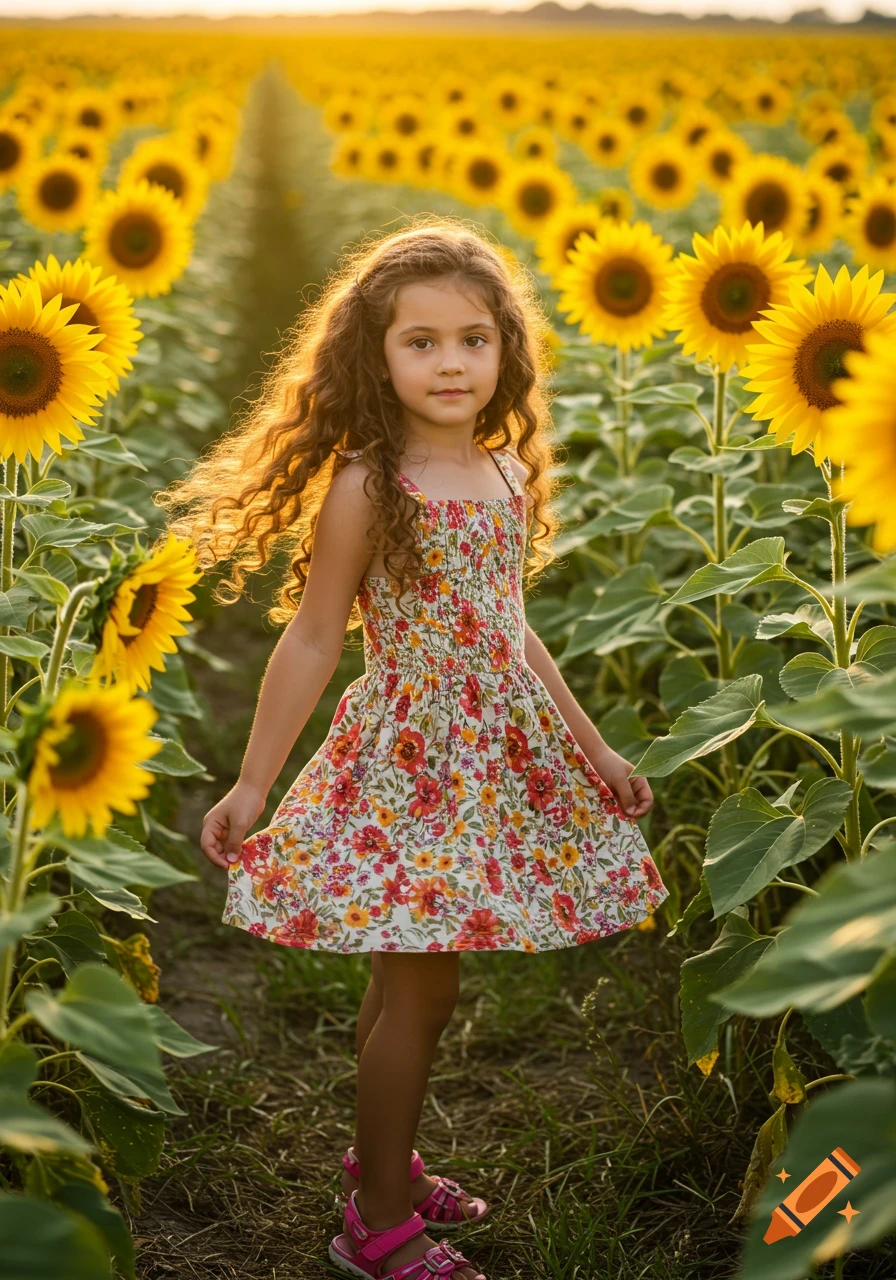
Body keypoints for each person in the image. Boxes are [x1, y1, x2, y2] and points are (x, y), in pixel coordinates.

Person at [166, 216, 669, 1280]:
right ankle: (378, 1225)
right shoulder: (368, 479)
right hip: (409, 761)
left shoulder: (502, 472)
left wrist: (594, 749)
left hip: (495, 754)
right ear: (374, 353)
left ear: (506, 352)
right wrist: (254, 778)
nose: (450, 362)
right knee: (423, 992)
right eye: (421, 341)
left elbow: (510, 628)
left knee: (403, 985)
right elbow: (313, 633)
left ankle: (377, 1163)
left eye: (473, 340)